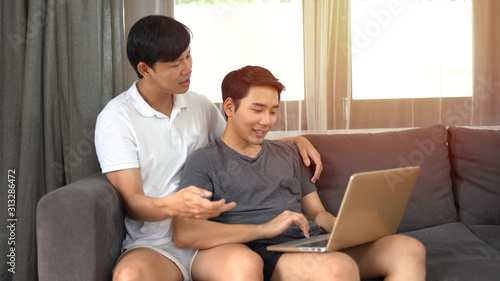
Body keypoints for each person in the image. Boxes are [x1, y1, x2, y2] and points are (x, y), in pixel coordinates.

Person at [94, 15, 323, 281]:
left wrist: (296, 141)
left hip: (210, 236)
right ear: (145, 70)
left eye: (188, 56)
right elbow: (133, 202)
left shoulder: (198, 105)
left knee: (244, 264)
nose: (187, 68)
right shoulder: (116, 119)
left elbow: (237, 143)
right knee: (130, 275)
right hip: (155, 243)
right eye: (175, 64)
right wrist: (174, 205)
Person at [173, 65, 427, 281]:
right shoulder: (205, 160)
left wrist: (342, 227)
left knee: (407, 248)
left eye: (273, 111)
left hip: (308, 241)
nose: (267, 121)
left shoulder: (288, 153)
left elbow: (316, 212)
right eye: (257, 110)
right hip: (264, 249)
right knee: (337, 268)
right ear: (229, 107)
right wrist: (265, 228)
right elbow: (186, 232)